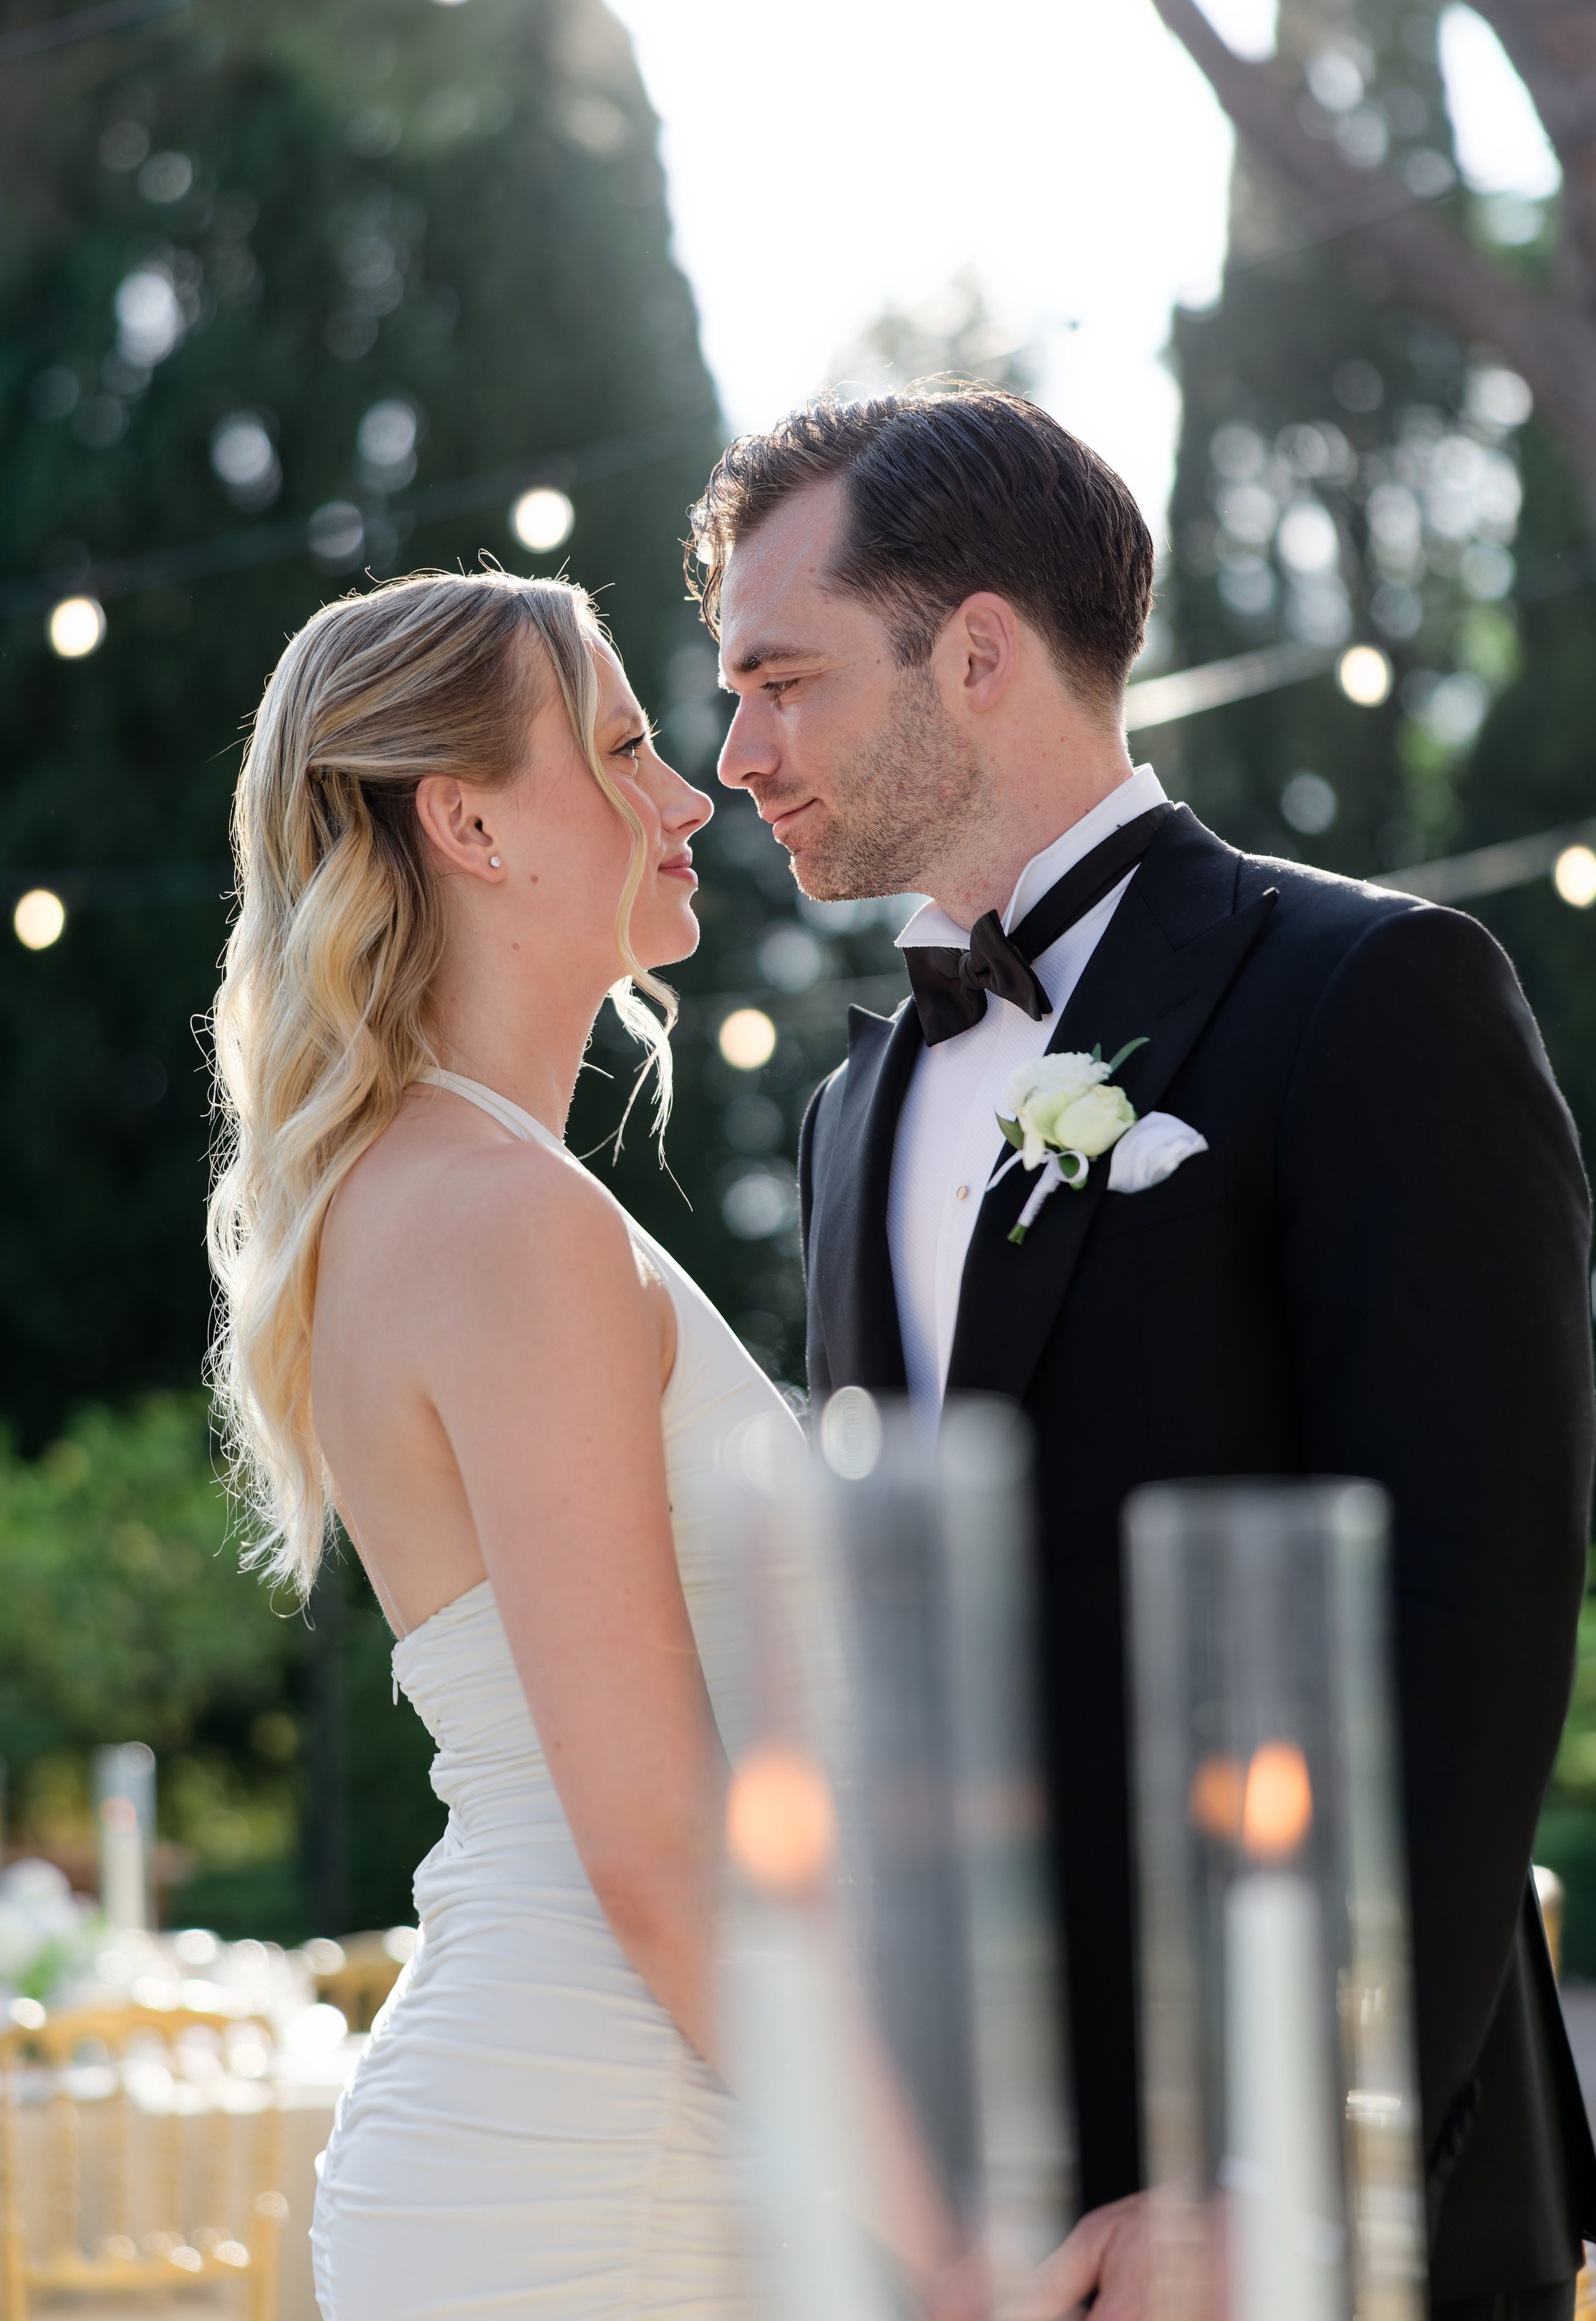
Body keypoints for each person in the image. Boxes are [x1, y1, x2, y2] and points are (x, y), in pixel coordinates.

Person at [695, 386, 1596, 2321]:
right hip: (987, 2214)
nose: (738, 750)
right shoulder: (852, 1112)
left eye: (784, 679)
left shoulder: (1375, 993)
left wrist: (1287, 2163)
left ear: (984, 651)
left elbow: (1478, 1604)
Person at [206, 570, 802, 2320]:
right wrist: (949, 2240)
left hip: (576, 2137)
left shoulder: (420, 1194)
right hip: (607, 2174)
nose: (691, 794)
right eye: (622, 747)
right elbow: (660, 1852)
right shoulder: (507, 1220)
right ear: (465, 818)